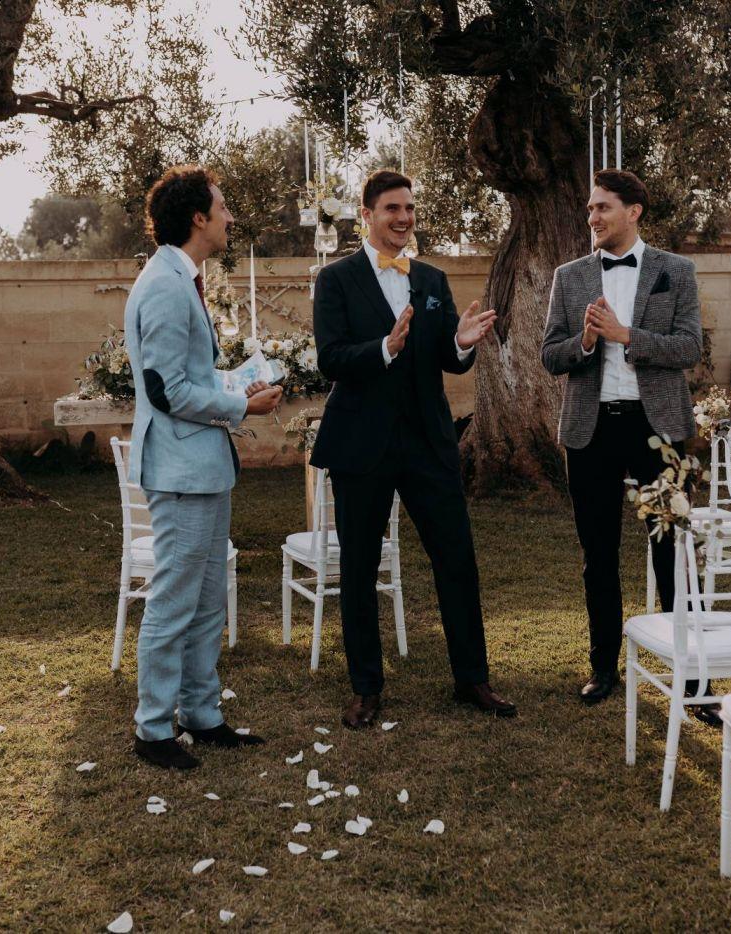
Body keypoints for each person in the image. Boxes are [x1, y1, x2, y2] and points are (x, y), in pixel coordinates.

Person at [310, 169, 516, 728]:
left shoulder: (431, 279)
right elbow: (330, 358)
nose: (403, 218)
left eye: (409, 209)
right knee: (358, 568)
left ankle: (472, 679)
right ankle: (366, 689)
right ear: (367, 215)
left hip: (428, 443)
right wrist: (383, 347)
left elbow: (448, 357)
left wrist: (461, 342)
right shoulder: (335, 280)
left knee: (457, 559)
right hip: (362, 444)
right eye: (392, 209)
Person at [124, 164, 283, 769]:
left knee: (209, 600)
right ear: (198, 218)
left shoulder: (182, 277)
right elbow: (165, 391)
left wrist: (237, 382)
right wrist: (242, 406)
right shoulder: (166, 286)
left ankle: (201, 714)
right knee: (174, 602)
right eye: (222, 207)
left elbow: (189, 376)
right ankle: (152, 730)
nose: (230, 217)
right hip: (181, 471)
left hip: (204, 467)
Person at [540, 169, 710, 717]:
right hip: (589, 431)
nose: (592, 217)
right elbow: (550, 355)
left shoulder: (675, 271)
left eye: (603, 207)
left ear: (633, 211)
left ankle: (692, 677)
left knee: (671, 550)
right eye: (590, 208)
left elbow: (690, 347)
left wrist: (626, 336)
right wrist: (587, 342)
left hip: (657, 431)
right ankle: (603, 667)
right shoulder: (569, 277)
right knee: (598, 554)